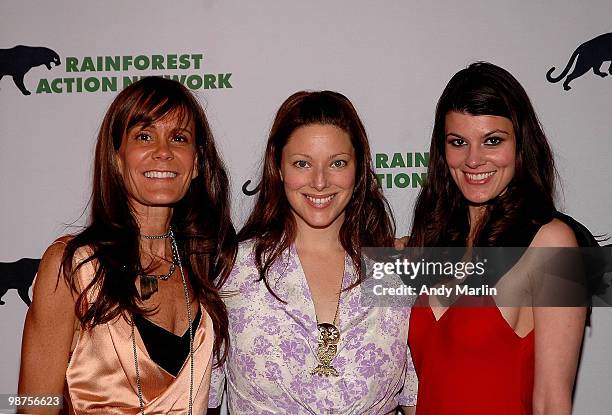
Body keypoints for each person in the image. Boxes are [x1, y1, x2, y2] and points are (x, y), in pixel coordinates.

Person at [18, 77, 236, 415]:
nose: (163, 151)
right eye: (144, 136)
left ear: (195, 164)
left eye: (179, 138)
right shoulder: (73, 266)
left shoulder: (208, 265)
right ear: (117, 158)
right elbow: (33, 406)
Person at [208, 91, 417, 414]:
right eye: (302, 163)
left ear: (359, 169)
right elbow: (199, 398)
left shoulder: (396, 273)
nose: (319, 182)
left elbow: (417, 401)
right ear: (278, 167)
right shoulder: (233, 269)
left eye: (337, 163)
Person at [406, 62, 590, 415]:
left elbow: (552, 402)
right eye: (458, 142)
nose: (474, 159)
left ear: (521, 143)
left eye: (492, 141)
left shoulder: (553, 244)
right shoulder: (429, 242)